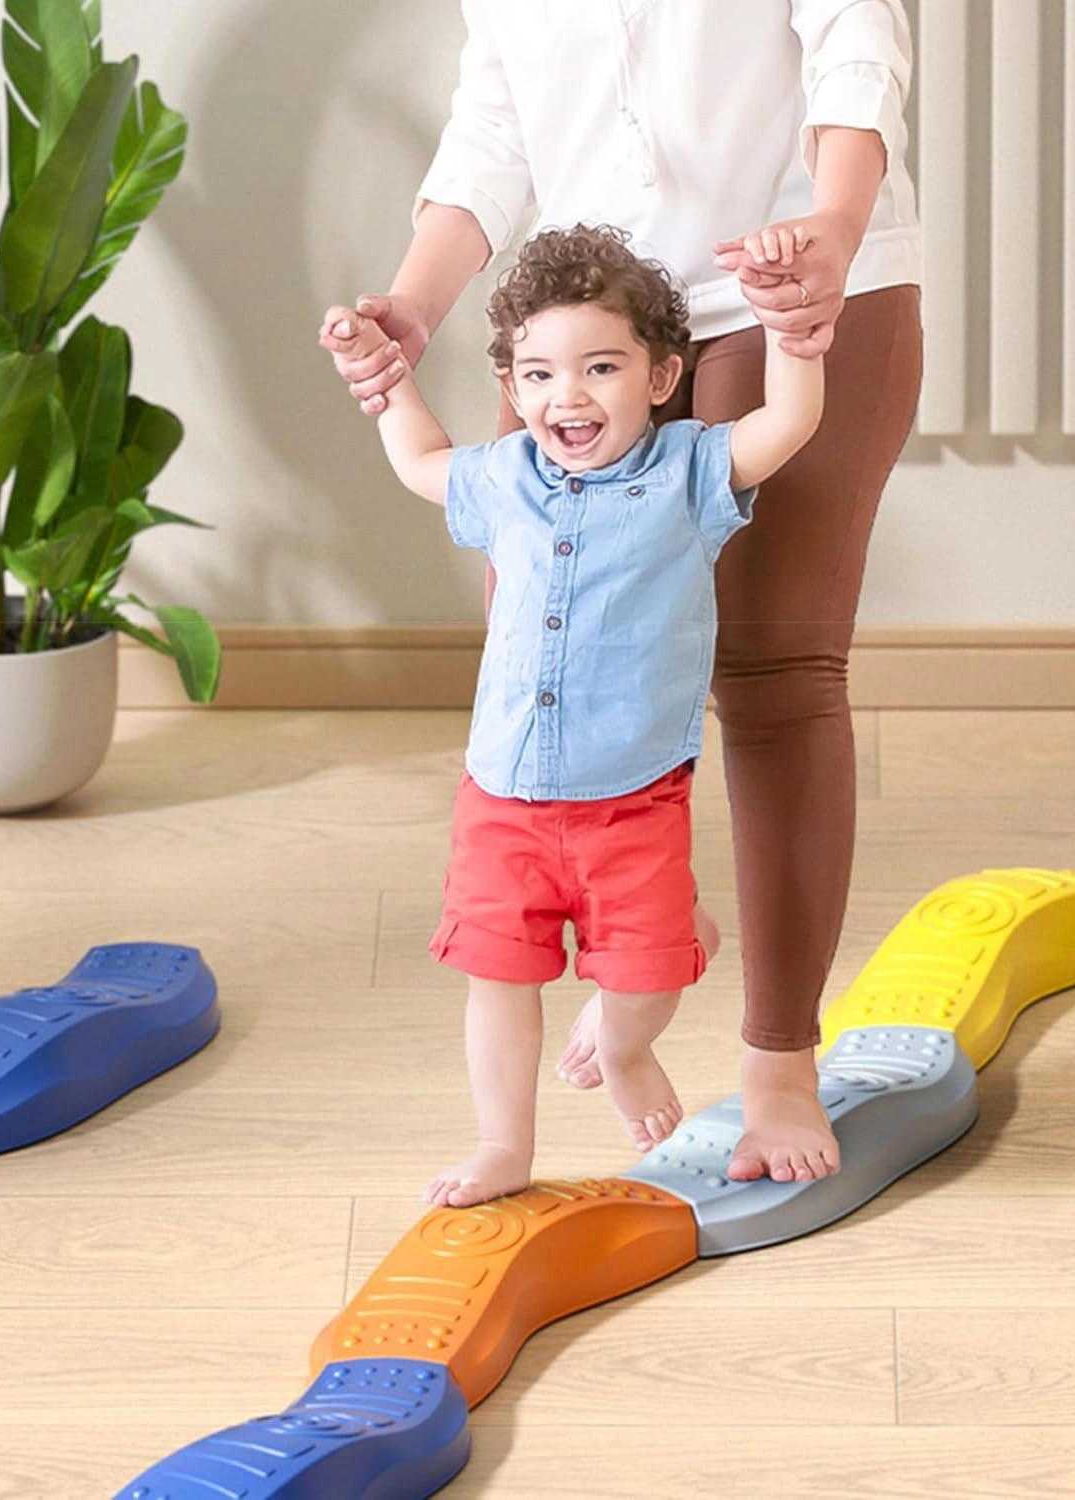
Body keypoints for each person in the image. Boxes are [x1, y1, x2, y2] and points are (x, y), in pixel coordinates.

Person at [322, 2, 923, 1186]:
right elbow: (493, 125)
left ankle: (779, 1068)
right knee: (551, 650)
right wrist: (414, 306)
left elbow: (857, 49)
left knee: (773, 677)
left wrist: (835, 231)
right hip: (587, 321)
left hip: (789, 276)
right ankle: (652, 920)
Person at [323, 224, 823, 1207]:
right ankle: (502, 1144)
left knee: (644, 982)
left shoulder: (687, 474)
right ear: (513, 388)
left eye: (601, 367)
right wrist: (386, 378)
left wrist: (794, 337)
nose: (570, 396)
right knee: (500, 978)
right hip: (502, 797)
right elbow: (420, 458)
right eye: (541, 374)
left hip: (632, 799)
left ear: (660, 376)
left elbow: (787, 426)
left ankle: (627, 1048)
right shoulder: (504, 477)